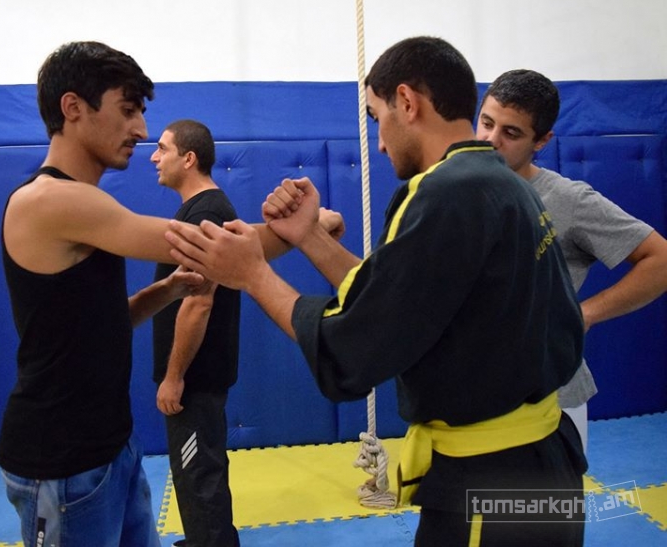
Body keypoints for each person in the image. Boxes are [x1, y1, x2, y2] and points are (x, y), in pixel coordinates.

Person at [164, 36, 588, 546]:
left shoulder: (445, 193)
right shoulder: (501, 180)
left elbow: (351, 353)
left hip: (490, 483)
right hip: (543, 464)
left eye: (376, 116)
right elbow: (397, 299)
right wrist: (309, 235)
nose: (381, 143)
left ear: (406, 102)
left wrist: (252, 273)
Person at [0, 41, 293, 547]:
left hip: (112, 449)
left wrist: (166, 290)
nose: (140, 130)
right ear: (73, 108)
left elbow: (98, 323)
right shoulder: (52, 200)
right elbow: (212, 247)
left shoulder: (84, 203)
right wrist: (304, 228)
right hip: (61, 463)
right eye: (128, 111)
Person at [476, 69, 667, 451]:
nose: (491, 140)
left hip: (551, 396)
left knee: (544, 495)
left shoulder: (568, 199)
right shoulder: (456, 191)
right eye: (486, 122)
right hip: (474, 395)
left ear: (542, 141)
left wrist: (586, 314)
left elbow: (660, 259)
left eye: (511, 133)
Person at [150, 120, 240, 547]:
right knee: (195, 475)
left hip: (194, 380)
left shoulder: (206, 213)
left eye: (162, 148)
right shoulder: (200, 210)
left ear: (188, 159)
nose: (154, 157)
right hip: (197, 378)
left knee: (199, 477)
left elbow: (199, 302)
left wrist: (174, 376)